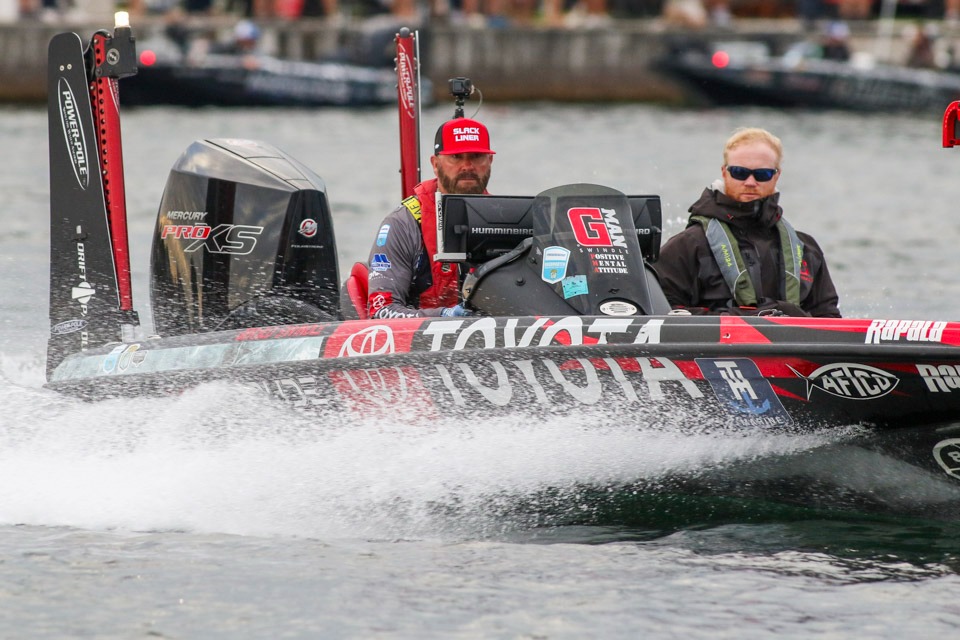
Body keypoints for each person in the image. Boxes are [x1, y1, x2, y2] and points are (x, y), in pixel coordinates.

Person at [655, 127, 841, 318]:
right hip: (718, 338)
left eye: (762, 174)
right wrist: (746, 317)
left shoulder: (807, 249)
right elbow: (659, 312)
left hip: (790, 337)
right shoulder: (687, 245)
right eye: (739, 172)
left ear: (776, 175)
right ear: (724, 172)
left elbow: (829, 318)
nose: (750, 182)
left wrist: (788, 315)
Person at [365, 117, 495, 319]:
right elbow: (381, 311)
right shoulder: (402, 224)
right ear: (435, 164)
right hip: (422, 335)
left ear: (490, 161)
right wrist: (443, 316)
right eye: (456, 157)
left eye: (476, 156)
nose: (467, 166)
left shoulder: (509, 220)